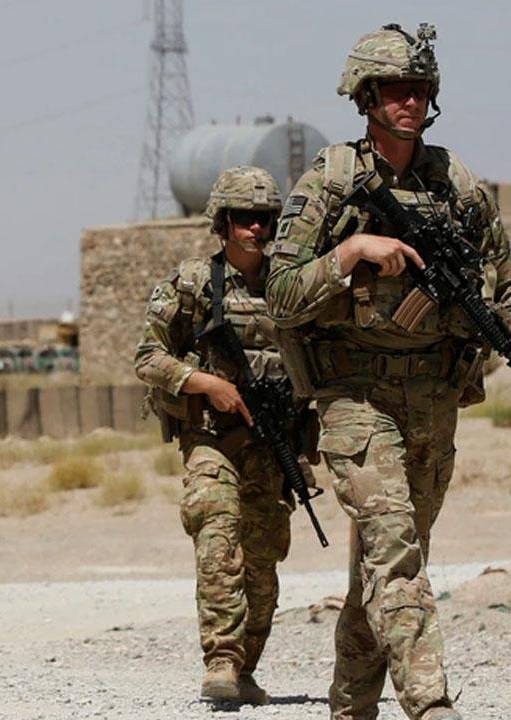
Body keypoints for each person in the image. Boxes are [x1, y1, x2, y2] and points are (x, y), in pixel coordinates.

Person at [266, 23, 508, 720]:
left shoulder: (457, 184)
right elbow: (280, 294)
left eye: (421, 89)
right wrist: (350, 255)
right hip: (355, 396)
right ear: (365, 96)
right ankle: (429, 702)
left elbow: (506, 279)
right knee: (393, 549)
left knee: (389, 559)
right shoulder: (331, 181)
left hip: (433, 396)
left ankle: (351, 706)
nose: (411, 101)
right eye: (397, 89)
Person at [135, 166, 300, 705]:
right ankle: (222, 660)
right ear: (223, 222)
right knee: (216, 534)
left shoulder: (289, 284)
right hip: (212, 438)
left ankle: (246, 667)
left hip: (273, 444)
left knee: (263, 561)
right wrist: (204, 383)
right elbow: (148, 357)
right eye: (246, 218)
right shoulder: (192, 283)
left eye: (266, 218)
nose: (257, 228)